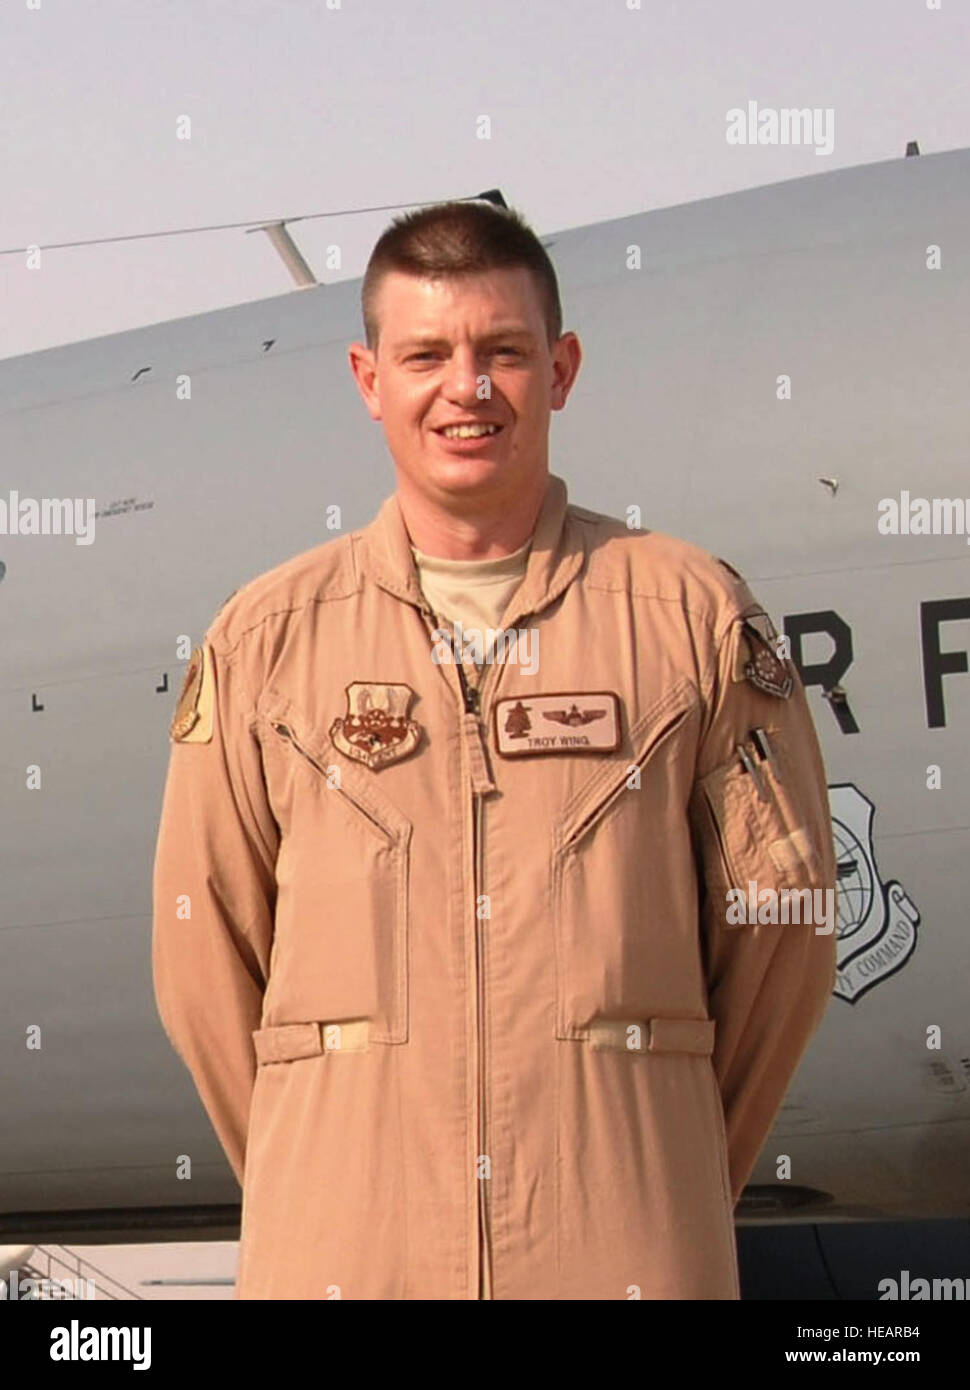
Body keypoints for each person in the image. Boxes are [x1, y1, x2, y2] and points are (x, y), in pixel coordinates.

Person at [152, 198, 837, 1300]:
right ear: (370, 379)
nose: (465, 388)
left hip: (624, 1260)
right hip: (345, 1263)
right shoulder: (268, 639)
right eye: (425, 353)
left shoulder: (689, 617)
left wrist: (651, 1162)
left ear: (559, 369)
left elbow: (783, 936)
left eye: (502, 352)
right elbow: (204, 958)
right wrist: (322, 1163)